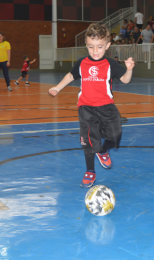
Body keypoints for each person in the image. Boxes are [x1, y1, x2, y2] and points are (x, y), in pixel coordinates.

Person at [48, 23, 135, 188]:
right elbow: (70, 75)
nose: (95, 51)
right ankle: (90, 171)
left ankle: (103, 151)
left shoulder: (110, 63)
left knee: (115, 136)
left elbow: (124, 79)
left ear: (108, 46)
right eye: (91, 47)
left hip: (107, 107)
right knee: (89, 141)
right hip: (86, 107)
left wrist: (129, 69)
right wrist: (57, 87)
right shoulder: (82, 63)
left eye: (99, 47)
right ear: (86, 45)